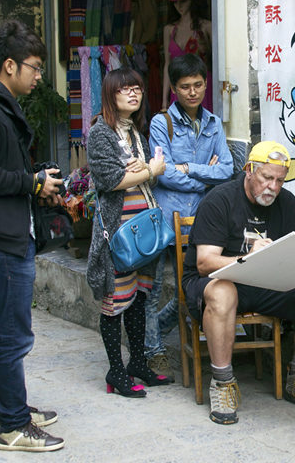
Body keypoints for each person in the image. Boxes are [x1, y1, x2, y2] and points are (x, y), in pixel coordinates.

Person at [0, 20, 65, 452]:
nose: (39, 76)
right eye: (35, 67)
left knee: (1, 328)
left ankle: (8, 406)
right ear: (9, 65)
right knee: (13, 335)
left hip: (6, 234)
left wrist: (34, 177)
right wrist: (32, 184)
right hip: (0, 240)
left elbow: (0, 166)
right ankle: (12, 425)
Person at [182, 141, 295, 425]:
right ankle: (222, 383)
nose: (273, 187)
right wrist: (248, 255)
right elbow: (205, 263)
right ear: (249, 170)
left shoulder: (288, 203)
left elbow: (293, 258)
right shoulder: (220, 200)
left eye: (279, 180)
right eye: (267, 178)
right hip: (215, 282)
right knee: (222, 291)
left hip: (266, 282)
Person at [146, 53, 233, 381]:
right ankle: (153, 350)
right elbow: (164, 173)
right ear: (173, 89)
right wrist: (205, 174)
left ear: (205, 84)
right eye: (185, 87)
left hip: (202, 221)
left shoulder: (213, 124)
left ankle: (153, 334)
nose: (193, 92)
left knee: (190, 287)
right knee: (154, 286)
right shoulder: (161, 123)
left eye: (198, 85)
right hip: (168, 216)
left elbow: (226, 170)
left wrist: (191, 168)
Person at [86, 67, 171, 399]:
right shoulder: (101, 132)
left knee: (138, 297)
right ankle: (115, 371)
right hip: (118, 231)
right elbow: (109, 181)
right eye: (126, 89)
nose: (134, 94)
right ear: (111, 93)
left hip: (143, 230)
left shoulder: (136, 132)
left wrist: (142, 171)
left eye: (137, 88)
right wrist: (147, 169)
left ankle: (138, 363)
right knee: (115, 300)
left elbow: (140, 178)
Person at [162, 0, 212, 112]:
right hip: (179, 87)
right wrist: (164, 100)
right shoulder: (169, 30)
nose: (179, 6)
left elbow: (217, 61)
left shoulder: (206, 27)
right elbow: (167, 64)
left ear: (193, 1)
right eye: (175, 2)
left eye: (183, 1)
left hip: (202, 86)